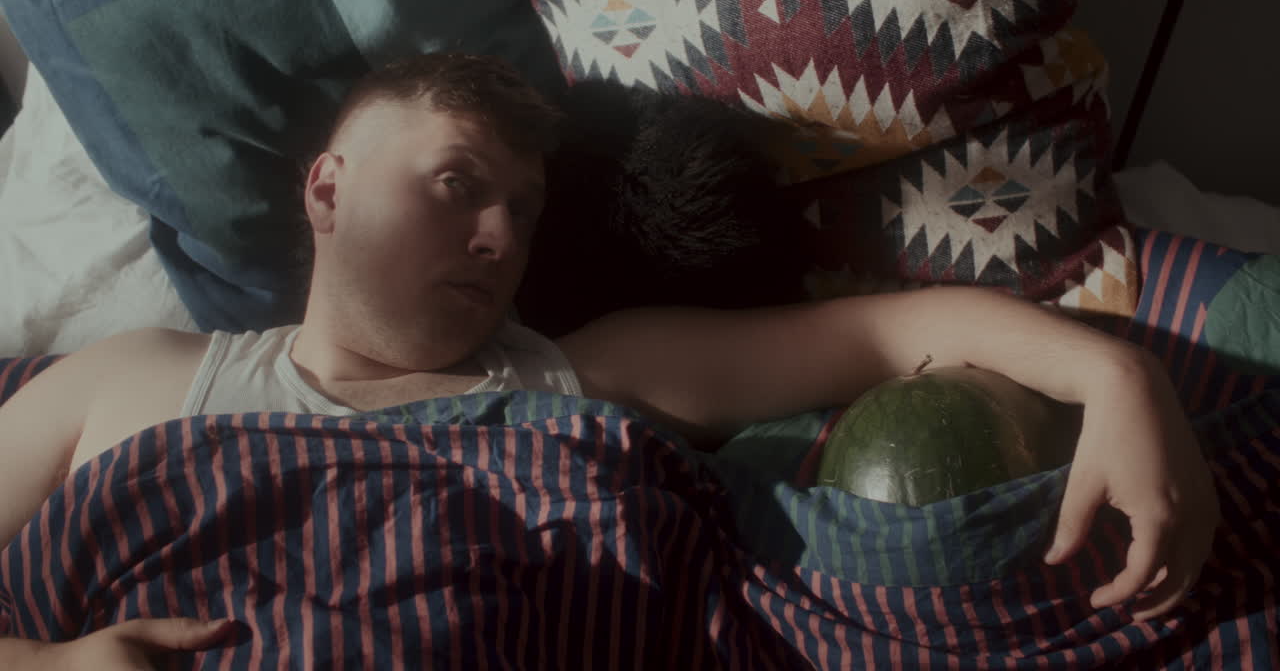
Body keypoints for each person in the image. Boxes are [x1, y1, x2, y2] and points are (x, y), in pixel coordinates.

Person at [0, 53, 1218, 668]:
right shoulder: (132, 379)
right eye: (457, 185)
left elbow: (888, 334)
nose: (498, 235)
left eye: (522, 211)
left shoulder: (582, 377)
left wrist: (1119, 377)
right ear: (327, 188)